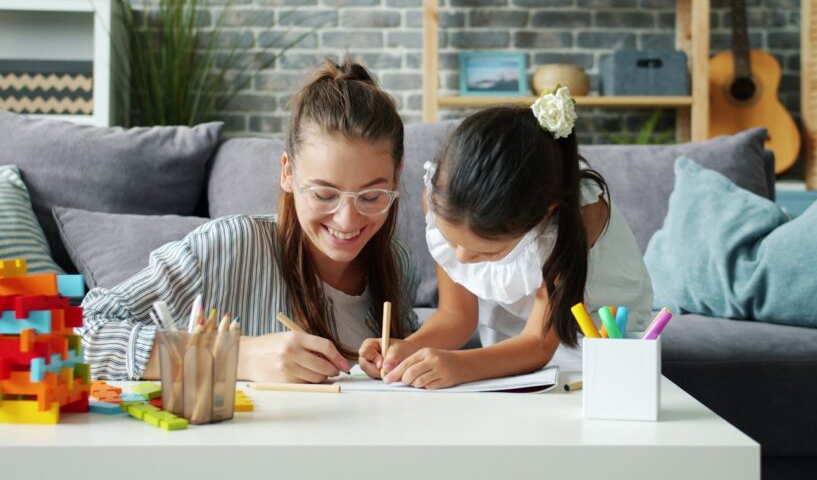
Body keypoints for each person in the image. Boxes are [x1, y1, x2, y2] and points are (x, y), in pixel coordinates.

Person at [79, 57, 419, 383]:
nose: (347, 220)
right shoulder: (229, 246)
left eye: (371, 197)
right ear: (287, 172)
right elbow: (83, 333)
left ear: (396, 177)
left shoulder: (398, 264)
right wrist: (236, 356)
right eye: (324, 194)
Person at [358, 88, 653, 389]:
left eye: (486, 252)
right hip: (512, 349)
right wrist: (408, 349)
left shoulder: (574, 217)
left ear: (540, 218)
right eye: (451, 241)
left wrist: (460, 365)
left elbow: (539, 343)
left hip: (599, 344)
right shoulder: (441, 201)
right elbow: (456, 316)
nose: (460, 258)